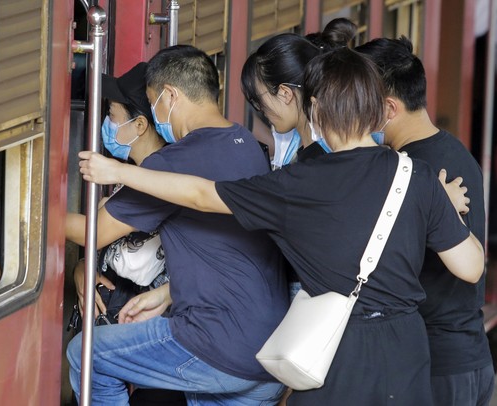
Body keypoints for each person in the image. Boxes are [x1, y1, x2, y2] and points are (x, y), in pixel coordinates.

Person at [77, 47, 486, 405]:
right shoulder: (417, 175)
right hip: (407, 352)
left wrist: (121, 172)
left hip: (337, 352)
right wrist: (439, 213)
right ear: (377, 110)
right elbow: (470, 267)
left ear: (317, 112)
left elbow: (202, 195)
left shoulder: (297, 184)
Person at [67, 45, 288, 405]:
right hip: (269, 349)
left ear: (169, 96)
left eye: (154, 102)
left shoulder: (173, 161)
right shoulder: (244, 141)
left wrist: (32, 214)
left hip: (216, 345)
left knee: (86, 353)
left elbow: (97, 232)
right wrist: (169, 293)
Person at [356, 37, 494, 406]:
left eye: (358, 102)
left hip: (436, 362)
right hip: (466, 357)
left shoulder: (410, 171)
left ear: (387, 107)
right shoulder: (451, 150)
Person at [66, 62, 186, 406]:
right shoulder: (135, 173)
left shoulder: (155, 178)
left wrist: (33, 214)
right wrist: (83, 267)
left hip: (162, 326)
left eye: (113, 113)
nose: (108, 122)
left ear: (140, 124)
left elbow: (94, 232)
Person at [241, 18, 357, 166]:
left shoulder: (320, 159)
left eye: (259, 99)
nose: (260, 108)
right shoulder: (315, 144)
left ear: (285, 93)